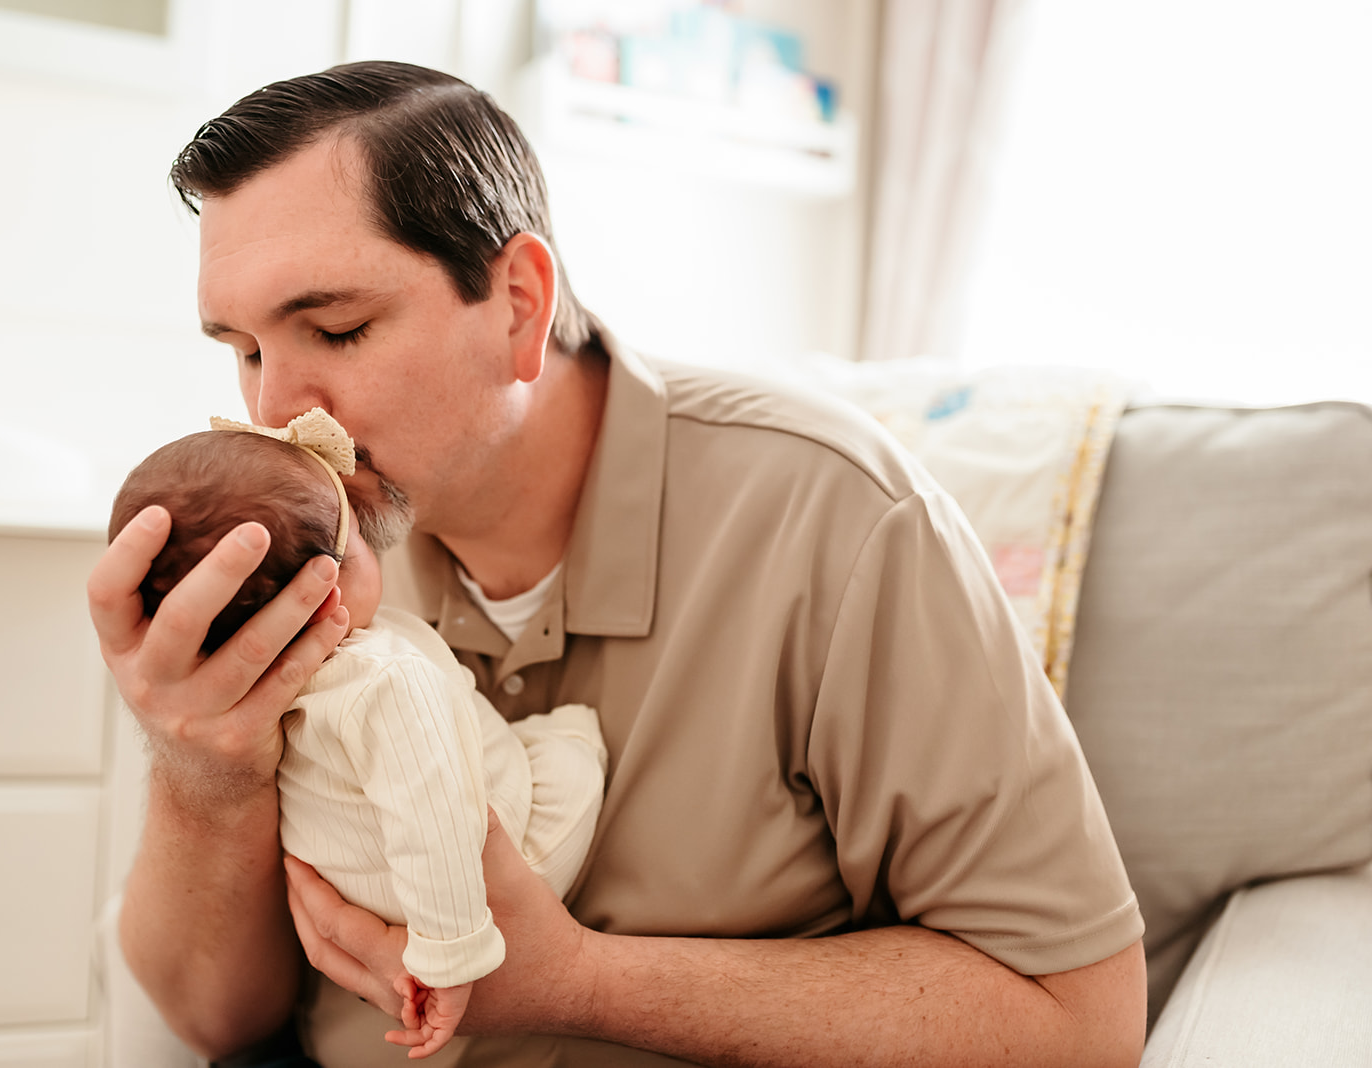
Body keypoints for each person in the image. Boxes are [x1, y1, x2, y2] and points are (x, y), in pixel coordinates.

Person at [89, 60, 1149, 1067]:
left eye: (338, 327)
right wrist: (203, 773)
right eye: (243, 349)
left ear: (517, 303)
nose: (276, 410)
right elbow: (215, 1020)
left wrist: (577, 981)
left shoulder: (835, 519)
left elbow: (1077, 1026)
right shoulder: (298, 541)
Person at [105, 413, 607, 1059]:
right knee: (571, 745)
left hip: (356, 893)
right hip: (480, 885)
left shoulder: (251, 694)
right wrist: (450, 957)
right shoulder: (382, 679)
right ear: (326, 587)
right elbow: (434, 816)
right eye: (361, 535)